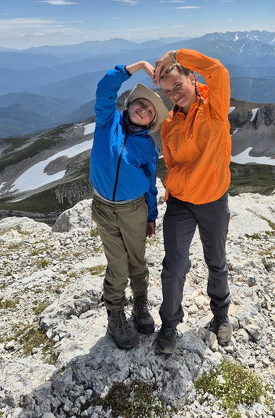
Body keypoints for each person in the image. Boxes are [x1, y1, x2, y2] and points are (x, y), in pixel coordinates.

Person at [152, 48, 233, 354]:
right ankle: (170, 325)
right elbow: (172, 163)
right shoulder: (169, 124)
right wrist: (173, 188)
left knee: (216, 261)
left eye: (178, 86)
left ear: (192, 77)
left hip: (212, 198)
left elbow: (219, 71)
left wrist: (177, 54)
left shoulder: (214, 106)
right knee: (173, 265)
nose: (174, 94)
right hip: (181, 203)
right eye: (168, 91)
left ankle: (221, 315)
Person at [90, 61, 169, 350]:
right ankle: (115, 314)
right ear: (129, 104)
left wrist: (150, 215)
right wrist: (132, 68)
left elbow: (150, 183)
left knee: (137, 261)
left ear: (151, 123)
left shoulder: (147, 146)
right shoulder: (107, 122)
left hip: (134, 209)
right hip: (104, 209)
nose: (144, 111)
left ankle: (140, 305)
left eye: (150, 112)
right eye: (141, 105)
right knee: (118, 264)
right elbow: (104, 91)